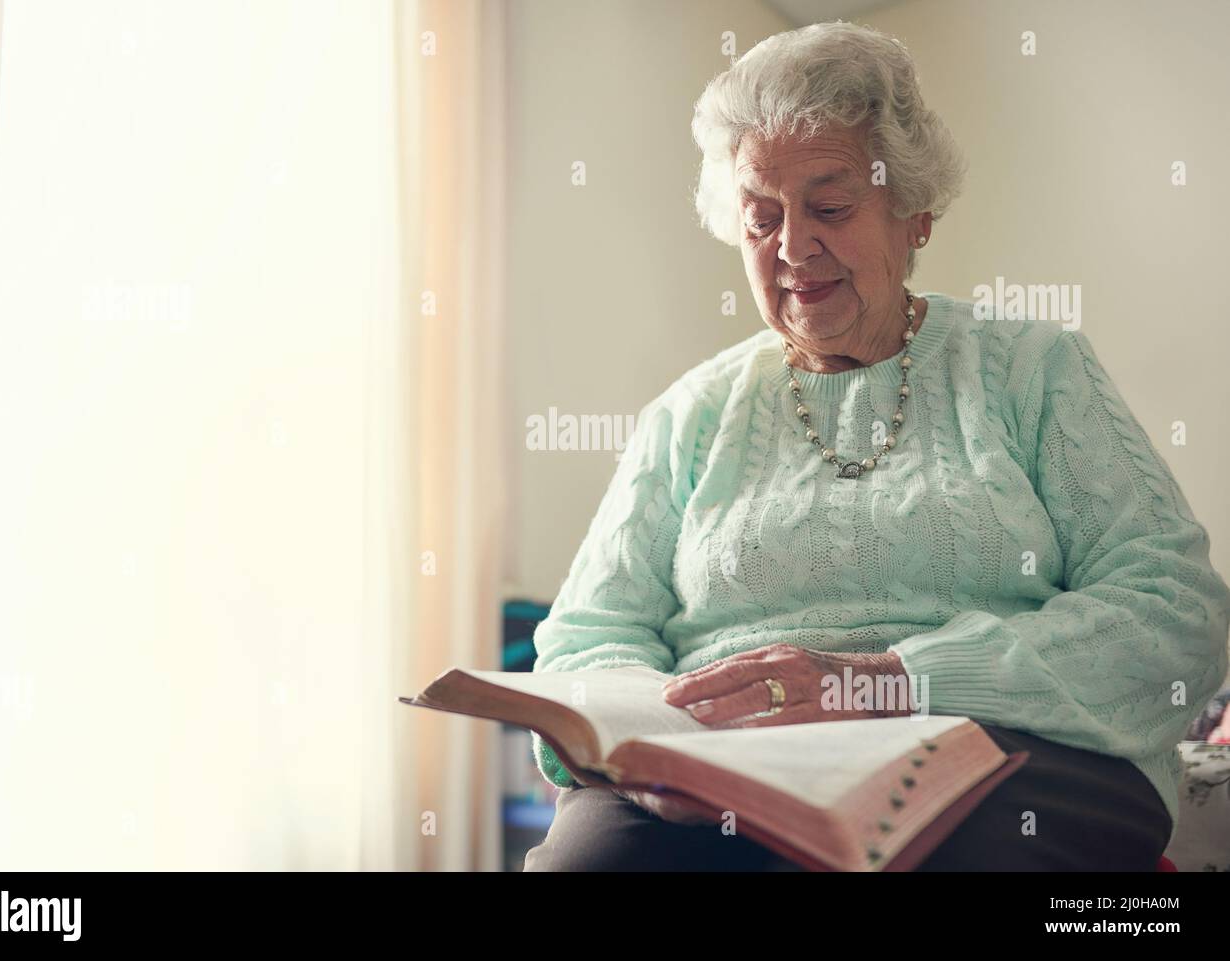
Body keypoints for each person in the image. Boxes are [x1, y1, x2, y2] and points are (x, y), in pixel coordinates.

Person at [522, 21, 1230, 871]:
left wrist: (888, 680)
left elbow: (1173, 608)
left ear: (914, 212)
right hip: (723, 780)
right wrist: (644, 747)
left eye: (828, 207)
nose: (790, 248)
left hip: (991, 755)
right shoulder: (690, 413)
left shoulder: (1032, 369)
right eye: (760, 218)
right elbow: (585, 639)